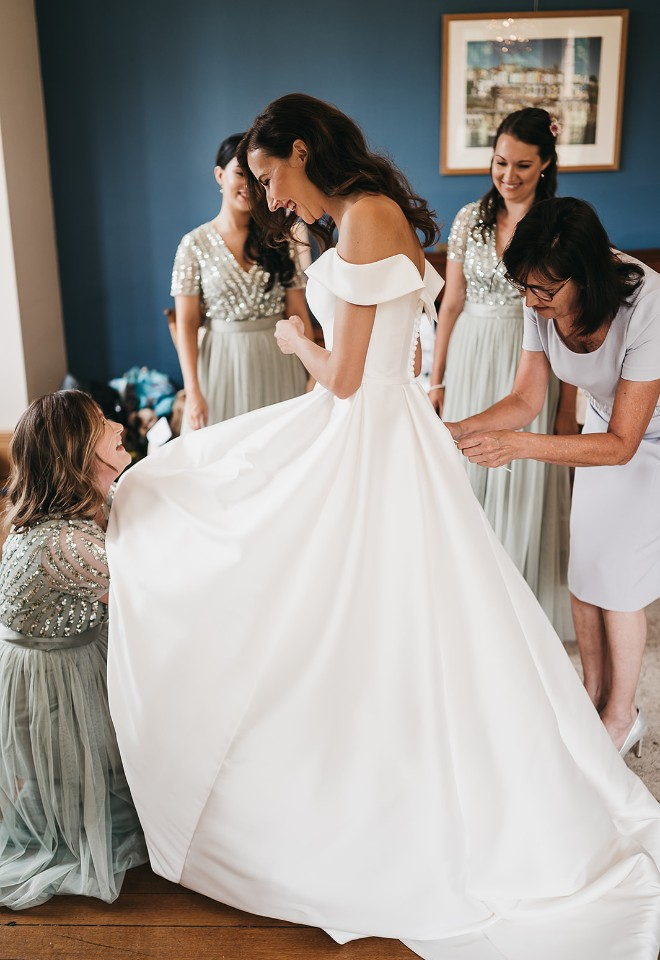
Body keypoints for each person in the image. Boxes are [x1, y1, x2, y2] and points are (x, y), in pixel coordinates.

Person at [106, 96, 660, 960]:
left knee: (312, 588)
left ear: (300, 150)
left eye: (268, 176)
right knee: (365, 613)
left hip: (366, 437)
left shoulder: (363, 218)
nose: (270, 196)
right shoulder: (371, 213)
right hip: (384, 434)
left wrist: (295, 341)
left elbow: (349, 378)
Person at [447, 196, 660, 760]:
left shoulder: (649, 304)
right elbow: (525, 399)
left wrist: (518, 447)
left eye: (545, 292)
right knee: (584, 565)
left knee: (621, 582)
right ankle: (591, 693)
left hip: (649, 438)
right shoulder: (536, 294)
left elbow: (622, 446)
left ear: (585, 276)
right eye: (526, 289)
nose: (533, 303)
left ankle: (623, 716)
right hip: (602, 424)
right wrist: (451, 429)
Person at [430, 108, 576, 636]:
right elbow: (451, 303)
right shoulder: (470, 218)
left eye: (522, 165)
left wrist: (565, 406)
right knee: (470, 474)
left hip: (532, 355)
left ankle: (522, 617)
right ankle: (473, 610)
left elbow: (572, 319)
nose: (508, 175)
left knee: (524, 475)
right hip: (472, 351)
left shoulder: (558, 223)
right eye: (499, 162)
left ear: (545, 165)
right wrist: (438, 379)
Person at [0, 390, 147, 909]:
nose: (116, 425)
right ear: (78, 453)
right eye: (101, 423)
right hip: (53, 673)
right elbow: (154, 595)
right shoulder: (66, 543)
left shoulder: (85, 511)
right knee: (76, 768)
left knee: (100, 763)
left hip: (72, 646)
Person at [171, 132, 314, 431]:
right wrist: (193, 389)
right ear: (220, 175)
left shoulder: (281, 239)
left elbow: (297, 309)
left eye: (256, 178)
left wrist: (313, 370)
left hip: (277, 359)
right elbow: (186, 323)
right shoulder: (193, 244)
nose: (248, 186)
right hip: (221, 363)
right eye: (239, 174)